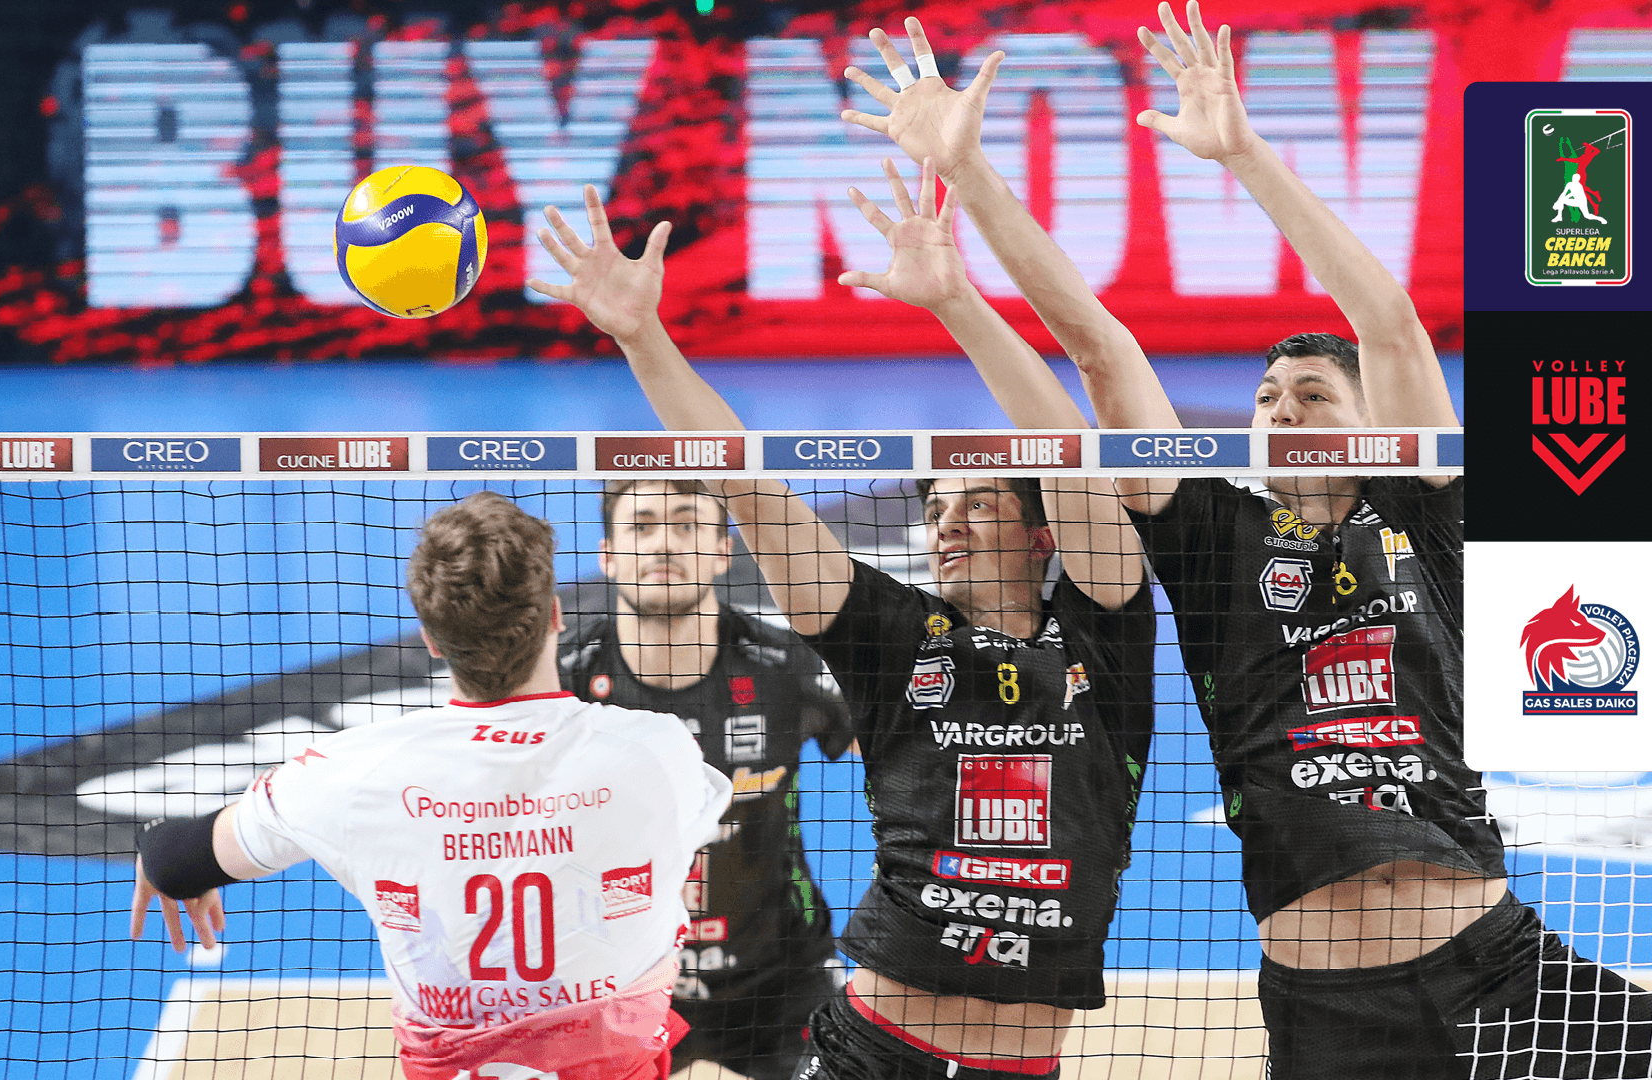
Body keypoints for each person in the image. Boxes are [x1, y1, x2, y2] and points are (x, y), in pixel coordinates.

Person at [841, 5, 1652, 1077]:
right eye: (1268, 396)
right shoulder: (1210, 537)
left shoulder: (1426, 515)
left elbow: (1390, 323)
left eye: (1313, 393)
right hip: (1329, 1018)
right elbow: (1097, 348)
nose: (1282, 409)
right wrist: (970, 174)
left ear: (1374, 423)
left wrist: (1243, 153)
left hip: (1502, 975)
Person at [524, 170, 1155, 1079]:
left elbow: (1067, 449)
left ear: (1042, 533)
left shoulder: (1105, 635)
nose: (948, 524)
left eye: (979, 503)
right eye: (936, 509)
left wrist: (957, 302)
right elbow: (747, 484)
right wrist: (642, 337)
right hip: (875, 1049)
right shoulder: (891, 636)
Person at [130, 491, 734, 1080]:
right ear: (555, 615)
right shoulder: (658, 751)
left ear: (431, 639)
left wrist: (168, 862)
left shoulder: (352, 773)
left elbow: (174, 858)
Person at [559, 477, 854, 1080]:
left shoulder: (788, 667)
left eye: (687, 525)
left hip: (782, 982)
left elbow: (904, 757)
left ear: (723, 551)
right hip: (620, 987)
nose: (664, 543)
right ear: (607, 556)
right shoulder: (565, 684)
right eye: (642, 526)